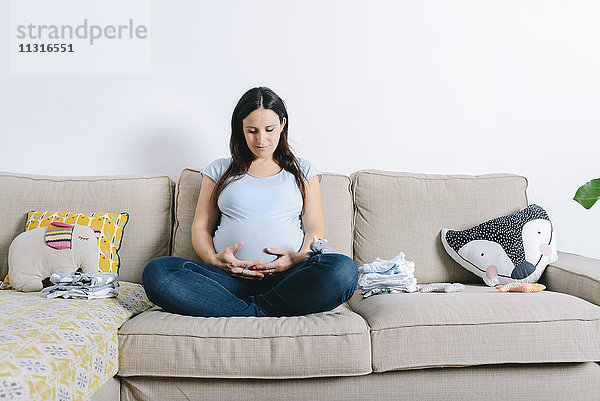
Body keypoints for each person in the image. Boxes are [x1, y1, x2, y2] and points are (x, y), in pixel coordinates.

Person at [142, 87, 358, 317]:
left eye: (269, 130)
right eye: (252, 131)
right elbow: (201, 227)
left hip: (289, 279)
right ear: (240, 129)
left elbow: (315, 228)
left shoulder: (303, 170)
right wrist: (214, 260)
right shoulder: (218, 170)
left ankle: (243, 311)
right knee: (158, 271)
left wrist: (297, 258)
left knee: (343, 270)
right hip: (228, 281)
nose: (261, 139)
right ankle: (262, 310)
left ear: (283, 124)